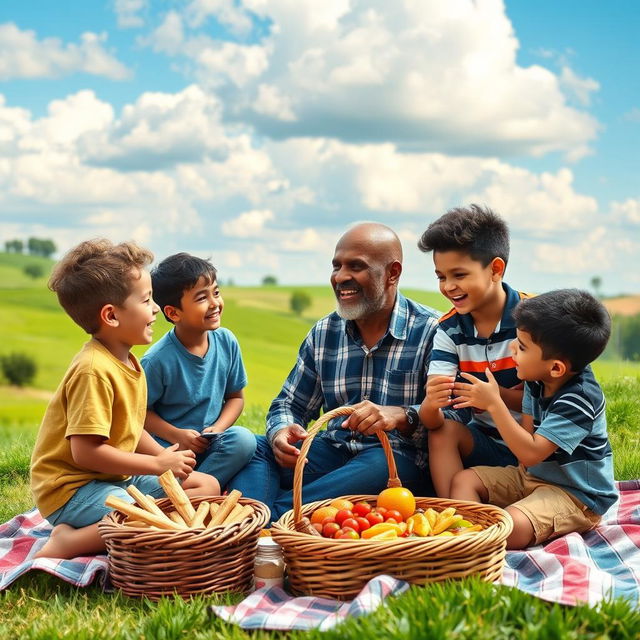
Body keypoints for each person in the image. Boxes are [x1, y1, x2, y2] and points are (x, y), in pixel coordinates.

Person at [230, 222, 440, 521]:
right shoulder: (325, 331)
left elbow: (454, 417)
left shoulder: (431, 330)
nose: (341, 277)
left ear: (392, 273)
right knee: (255, 448)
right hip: (330, 452)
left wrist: (401, 415)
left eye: (356, 266)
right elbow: (289, 403)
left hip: (395, 463)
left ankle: (263, 521)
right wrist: (282, 432)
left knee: (380, 465)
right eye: (337, 266)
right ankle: (270, 518)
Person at [30, 240, 218, 560]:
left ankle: (141, 525)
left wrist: (164, 462)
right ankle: (67, 543)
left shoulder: (128, 361)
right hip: (71, 490)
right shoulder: (93, 370)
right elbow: (86, 452)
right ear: (111, 316)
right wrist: (157, 464)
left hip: (112, 480)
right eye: (146, 300)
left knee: (207, 486)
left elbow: (130, 427)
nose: (156, 308)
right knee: (137, 515)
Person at [449, 289, 617, 549]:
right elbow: (525, 446)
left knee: (511, 524)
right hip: (530, 477)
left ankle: (476, 541)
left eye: (523, 346)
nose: (513, 348)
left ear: (556, 367)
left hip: (574, 495)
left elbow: (531, 453)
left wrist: (495, 403)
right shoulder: (537, 378)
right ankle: (467, 536)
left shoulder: (579, 399)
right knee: (464, 480)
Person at [417, 205, 530, 497]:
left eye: (459, 274)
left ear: (495, 269)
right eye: (441, 276)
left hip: (539, 447)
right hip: (488, 447)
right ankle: (452, 516)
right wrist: (431, 405)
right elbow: (434, 417)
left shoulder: (534, 320)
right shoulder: (449, 330)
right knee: (442, 432)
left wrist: (495, 398)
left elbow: (547, 402)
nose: (449, 287)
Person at [141, 253, 256, 489]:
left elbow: (236, 398)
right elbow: (139, 415)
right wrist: (177, 435)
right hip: (170, 450)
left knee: (244, 440)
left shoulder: (226, 341)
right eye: (202, 298)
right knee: (154, 476)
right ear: (173, 313)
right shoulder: (157, 360)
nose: (214, 303)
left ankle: (193, 488)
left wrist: (218, 428)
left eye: (216, 292)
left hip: (209, 446)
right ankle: (195, 489)